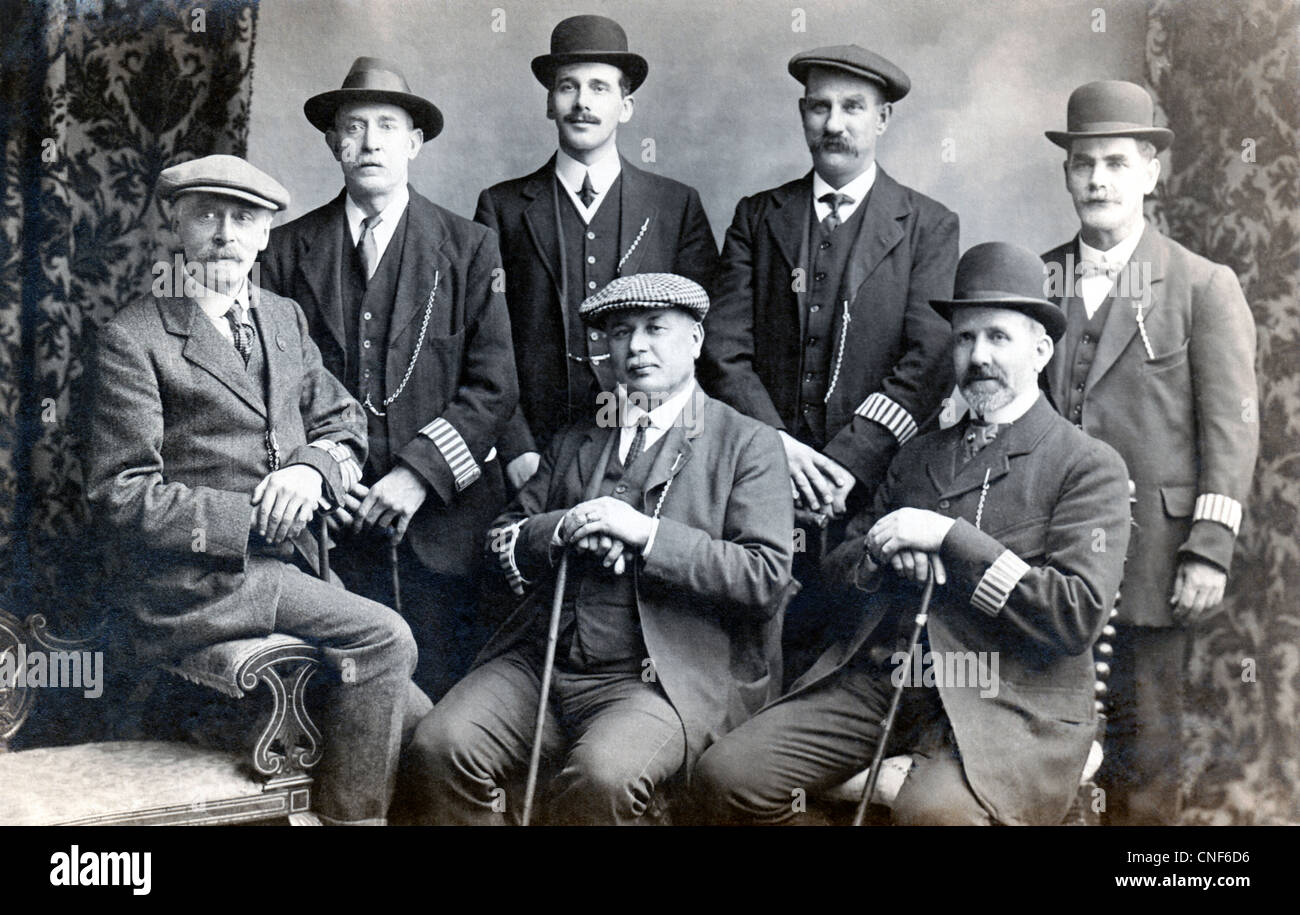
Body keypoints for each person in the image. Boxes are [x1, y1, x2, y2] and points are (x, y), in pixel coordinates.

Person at [694, 243, 1131, 826]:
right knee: (726, 776)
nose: (978, 357)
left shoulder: (1085, 464)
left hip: (1009, 701)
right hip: (885, 684)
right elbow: (838, 567)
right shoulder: (918, 453)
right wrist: (879, 553)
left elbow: (1075, 613)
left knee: (933, 816)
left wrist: (951, 539)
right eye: (964, 338)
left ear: (1041, 349)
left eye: (998, 337)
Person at [87, 155, 429, 825]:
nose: (225, 232)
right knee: (387, 638)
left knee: (422, 721)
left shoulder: (282, 317)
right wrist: (251, 518)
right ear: (176, 224)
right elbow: (120, 494)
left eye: (244, 218)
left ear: (267, 233)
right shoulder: (134, 336)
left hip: (290, 569)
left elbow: (343, 420)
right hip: (197, 582)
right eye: (207, 214)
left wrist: (310, 470)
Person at [404, 274, 794, 825]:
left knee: (604, 778)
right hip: (541, 664)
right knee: (439, 744)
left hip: (663, 678)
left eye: (655, 329)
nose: (636, 347)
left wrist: (645, 535)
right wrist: (565, 527)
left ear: (696, 340)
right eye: (619, 333)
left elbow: (764, 576)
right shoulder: (574, 440)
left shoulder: (746, 444)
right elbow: (502, 543)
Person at [260, 58, 519, 700]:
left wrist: (418, 475)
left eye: (387, 126)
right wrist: (323, 474)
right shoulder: (285, 251)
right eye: (353, 127)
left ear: (414, 143)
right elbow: (269, 391)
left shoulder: (470, 247)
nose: (370, 142)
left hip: (442, 529)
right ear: (332, 143)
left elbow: (494, 387)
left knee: (442, 712)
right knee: (338, 705)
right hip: (329, 530)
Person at [1040, 80, 1259, 825]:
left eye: (1115, 163)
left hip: (1153, 556)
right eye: (1082, 165)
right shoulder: (1038, 279)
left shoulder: (1202, 286)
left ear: (1150, 173)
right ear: (1066, 175)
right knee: (1041, 742)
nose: (1097, 179)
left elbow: (1231, 424)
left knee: (1145, 753)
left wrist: (1210, 546)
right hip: (1047, 553)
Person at [701, 44, 958, 525]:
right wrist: (775, 448)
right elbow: (722, 350)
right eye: (820, 106)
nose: (833, 124)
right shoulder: (757, 218)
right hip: (758, 481)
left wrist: (846, 464)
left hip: (878, 488)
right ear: (803, 114)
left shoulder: (929, 225)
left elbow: (931, 360)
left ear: (882, 118)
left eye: (852, 107)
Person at [475, 14, 718, 491]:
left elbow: (701, 336)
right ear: (549, 103)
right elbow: (486, 342)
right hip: (536, 450)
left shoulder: (675, 205)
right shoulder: (502, 207)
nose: (582, 102)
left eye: (600, 88)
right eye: (568, 87)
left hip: (652, 446)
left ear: (626, 106)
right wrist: (516, 445)